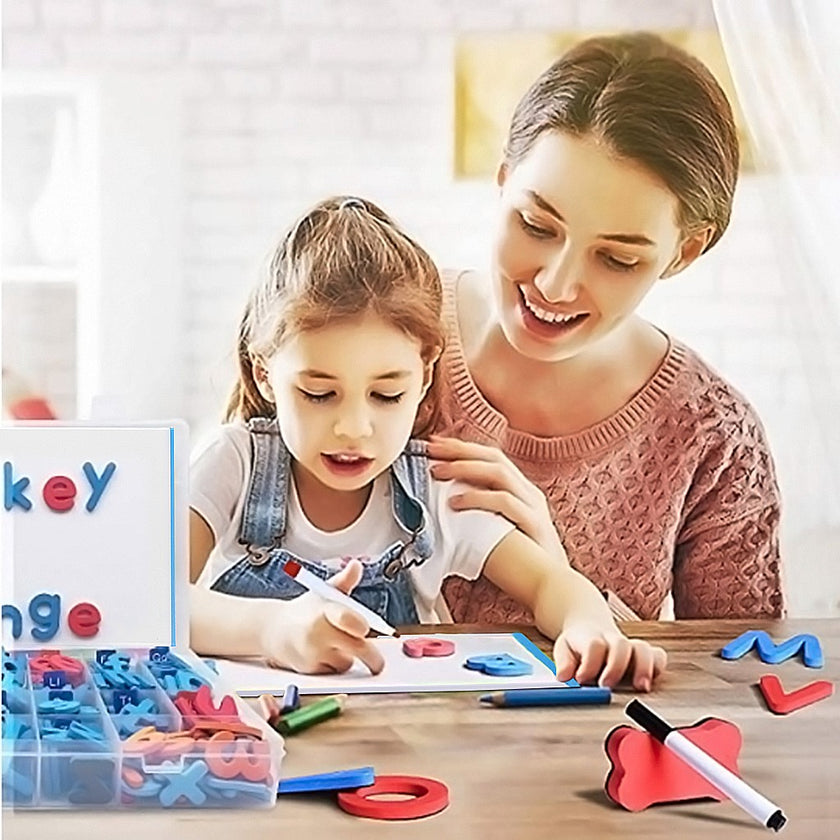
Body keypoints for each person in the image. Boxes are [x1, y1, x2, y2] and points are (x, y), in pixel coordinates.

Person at [189, 195, 666, 690]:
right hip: (254, 741)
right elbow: (151, 599)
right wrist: (271, 629)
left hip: (410, 735)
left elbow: (549, 582)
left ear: (423, 377)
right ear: (265, 375)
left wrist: (589, 626)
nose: (353, 427)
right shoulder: (234, 463)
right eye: (319, 394)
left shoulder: (435, 490)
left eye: (386, 395)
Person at [428, 32, 785, 624]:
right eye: (537, 225)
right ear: (502, 181)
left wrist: (560, 582)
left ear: (683, 253)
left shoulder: (711, 437)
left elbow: (742, 682)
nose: (556, 285)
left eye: (617, 259)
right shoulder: (379, 319)